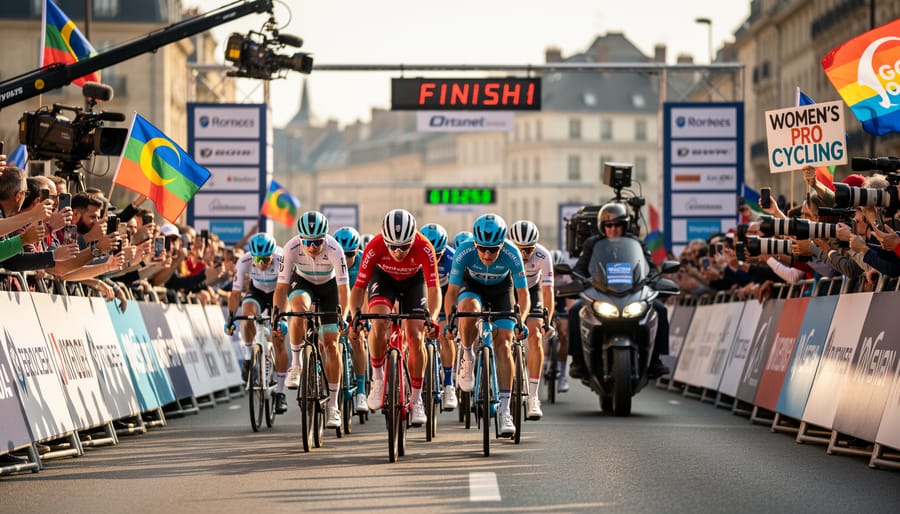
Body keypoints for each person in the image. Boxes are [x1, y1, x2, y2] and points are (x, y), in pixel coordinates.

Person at [348, 209, 441, 427]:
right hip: (385, 279)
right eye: (393, 247)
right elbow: (359, 288)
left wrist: (433, 318)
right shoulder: (374, 247)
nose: (398, 252)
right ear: (385, 240)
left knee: (416, 336)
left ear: (413, 239)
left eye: (404, 247)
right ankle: (378, 379)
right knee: (379, 323)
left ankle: (417, 401)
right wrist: (355, 317)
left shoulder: (424, 246)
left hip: (413, 283)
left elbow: (434, 289)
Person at [445, 213, 530, 437]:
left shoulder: (512, 253)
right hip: (473, 286)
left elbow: (523, 293)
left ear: (502, 245)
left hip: (502, 290)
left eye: (493, 249)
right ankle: (467, 355)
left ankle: (504, 410)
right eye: (482, 248)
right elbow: (452, 292)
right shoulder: (464, 251)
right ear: (475, 244)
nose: (487, 254)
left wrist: (522, 319)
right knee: (468, 310)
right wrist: (450, 320)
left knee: (503, 345)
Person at [568, 203, 670, 380]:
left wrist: (655, 281)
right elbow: (580, 269)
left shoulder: (637, 243)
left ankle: (655, 360)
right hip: (600, 292)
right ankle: (578, 361)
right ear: (603, 227)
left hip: (632, 293)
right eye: (609, 225)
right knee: (575, 310)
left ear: (625, 226)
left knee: (659, 309)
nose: (613, 229)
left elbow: (651, 268)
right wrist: (579, 282)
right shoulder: (593, 244)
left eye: (618, 225)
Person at [274, 211, 350, 430]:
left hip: (329, 288)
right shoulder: (291, 248)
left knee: (331, 345)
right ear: (301, 238)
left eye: (318, 241)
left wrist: (342, 318)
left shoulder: (335, 249)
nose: (313, 246)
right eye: (308, 242)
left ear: (324, 237)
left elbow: (344, 290)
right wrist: (277, 315)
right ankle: (296, 365)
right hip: (303, 282)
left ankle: (333, 406)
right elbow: (280, 288)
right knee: (298, 310)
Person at [225, 233, 288, 414]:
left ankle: (281, 392)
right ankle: (247, 357)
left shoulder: (282, 259)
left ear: (273, 255)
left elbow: (287, 289)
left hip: (279, 292)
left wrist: (281, 318)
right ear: (252, 255)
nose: (262, 263)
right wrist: (230, 318)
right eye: (258, 258)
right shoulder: (243, 261)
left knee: (278, 339)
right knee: (246, 314)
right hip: (258, 292)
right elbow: (236, 293)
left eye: (266, 258)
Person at [508, 219, 554, 420]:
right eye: (521, 249)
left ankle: (533, 397)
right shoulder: (506, 253)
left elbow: (547, 290)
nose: (525, 255)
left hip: (532, 291)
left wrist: (547, 321)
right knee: (503, 334)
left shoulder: (543, 255)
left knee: (535, 336)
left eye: (529, 249)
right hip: (508, 289)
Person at [419, 222, 458, 410]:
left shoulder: (451, 258)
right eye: (431, 254)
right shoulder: (417, 254)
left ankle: (449, 383)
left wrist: (451, 321)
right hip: (423, 292)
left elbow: (453, 293)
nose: (434, 259)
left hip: (445, 293)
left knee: (444, 333)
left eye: (438, 255)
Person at [333, 225, 370, 414]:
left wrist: (361, 320)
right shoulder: (329, 258)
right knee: (328, 339)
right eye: (342, 254)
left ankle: (361, 391)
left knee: (357, 338)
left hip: (356, 304)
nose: (345, 260)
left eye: (350, 255)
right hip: (336, 304)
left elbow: (366, 293)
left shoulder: (364, 260)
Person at [549, 249, 571, 393]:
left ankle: (563, 374)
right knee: (543, 331)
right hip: (547, 303)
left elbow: (570, 301)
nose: (555, 271)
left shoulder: (566, 278)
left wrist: (568, 313)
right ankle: (545, 362)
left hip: (562, 305)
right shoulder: (543, 274)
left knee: (563, 333)